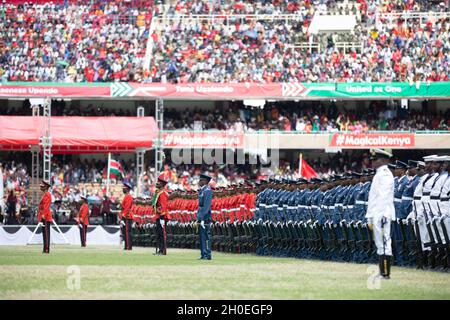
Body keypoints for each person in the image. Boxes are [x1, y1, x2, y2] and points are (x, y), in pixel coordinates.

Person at [366, 149, 395, 279]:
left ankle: (385, 273)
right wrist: (370, 216)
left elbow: (384, 197)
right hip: (377, 214)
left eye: (375, 159)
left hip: (382, 214)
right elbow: (373, 198)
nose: (372, 162)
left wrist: (380, 215)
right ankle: (382, 271)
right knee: (379, 243)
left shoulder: (384, 174)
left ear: (383, 160)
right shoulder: (379, 174)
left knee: (384, 243)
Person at [197, 173, 213, 260]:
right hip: (201, 216)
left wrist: (203, 218)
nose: (199, 182)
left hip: (205, 217)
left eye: (201, 180)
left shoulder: (207, 190)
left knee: (206, 236)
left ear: (206, 181)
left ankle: (207, 254)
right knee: (201, 236)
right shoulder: (202, 190)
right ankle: (203, 254)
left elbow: (206, 206)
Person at [152, 176, 169, 255]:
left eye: (158, 182)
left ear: (162, 184)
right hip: (158, 216)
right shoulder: (158, 192)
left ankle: (163, 250)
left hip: (162, 216)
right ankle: (160, 249)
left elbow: (163, 206)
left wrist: (162, 217)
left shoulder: (163, 194)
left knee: (162, 234)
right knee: (159, 234)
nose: (156, 183)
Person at [38, 180, 53, 254]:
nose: (41, 187)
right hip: (43, 216)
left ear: (46, 187)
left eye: (43, 186)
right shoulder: (45, 194)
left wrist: (43, 214)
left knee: (46, 233)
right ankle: (45, 248)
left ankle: (47, 249)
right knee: (44, 233)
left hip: (46, 216)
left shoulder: (47, 194)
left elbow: (46, 206)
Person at [120, 182, 134, 250]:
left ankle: (128, 246)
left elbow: (127, 208)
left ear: (127, 189)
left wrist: (123, 217)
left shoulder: (128, 197)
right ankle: (126, 246)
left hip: (127, 216)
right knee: (125, 232)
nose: (123, 189)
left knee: (127, 232)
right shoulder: (126, 196)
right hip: (126, 216)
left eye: (124, 188)